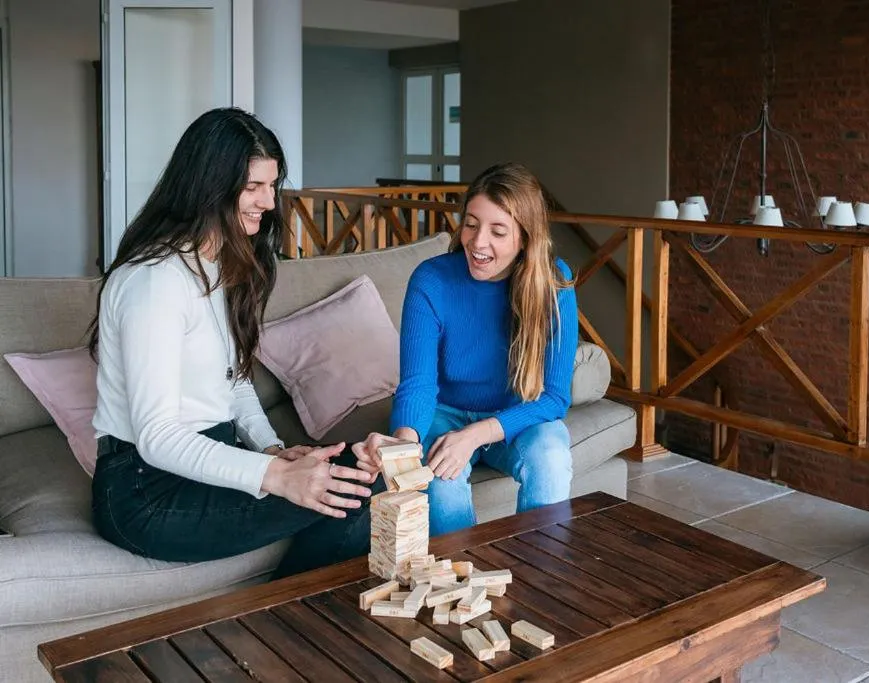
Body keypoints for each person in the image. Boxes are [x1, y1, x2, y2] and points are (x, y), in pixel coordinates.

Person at [88, 107, 378, 580]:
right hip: (147, 492)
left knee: (358, 474)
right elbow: (158, 438)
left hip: (213, 461)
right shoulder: (154, 282)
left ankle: (292, 619)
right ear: (208, 185)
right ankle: (289, 625)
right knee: (356, 489)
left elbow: (236, 381)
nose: (268, 202)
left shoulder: (217, 265)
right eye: (253, 187)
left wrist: (269, 450)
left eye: (271, 186)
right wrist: (278, 479)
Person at [353, 162, 578, 536]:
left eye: (498, 231)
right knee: (439, 483)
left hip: (515, 416)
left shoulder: (554, 282)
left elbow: (554, 399)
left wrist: (476, 434)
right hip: (446, 412)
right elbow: (418, 383)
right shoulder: (432, 279)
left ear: (526, 237)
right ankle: (460, 580)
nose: (477, 242)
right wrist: (404, 444)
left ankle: (542, 573)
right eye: (471, 224)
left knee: (551, 455)